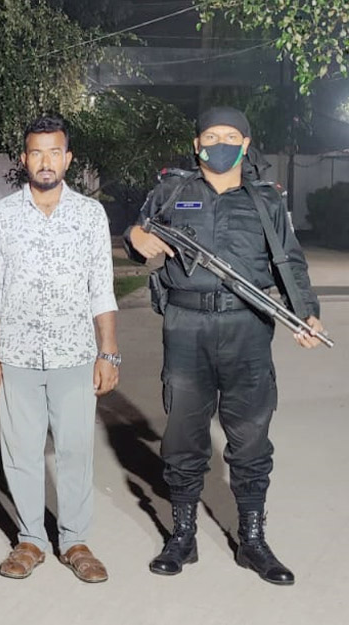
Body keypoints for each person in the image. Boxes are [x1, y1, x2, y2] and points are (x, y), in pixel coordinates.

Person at [126, 106, 325, 585]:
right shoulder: (172, 191)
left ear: (245, 144)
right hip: (186, 327)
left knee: (250, 435)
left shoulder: (266, 200)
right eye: (211, 136)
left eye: (230, 137)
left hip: (247, 327)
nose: (220, 144)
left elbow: (289, 261)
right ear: (196, 145)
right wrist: (134, 236)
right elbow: (138, 234)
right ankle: (182, 535)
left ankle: (252, 540)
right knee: (183, 433)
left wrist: (305, 311)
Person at [0, 115, 118, 583]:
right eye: (37, 153)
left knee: (75, 450)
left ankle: (74, 540)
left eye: (55, 152)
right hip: (16, 355)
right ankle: (31, 539)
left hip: (74, 354)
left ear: (68, 159)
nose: (46, 161)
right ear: (24, 159)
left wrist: (108, 351)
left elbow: (102, 288)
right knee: (21, 452)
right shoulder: (2, 215)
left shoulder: (90, 215)